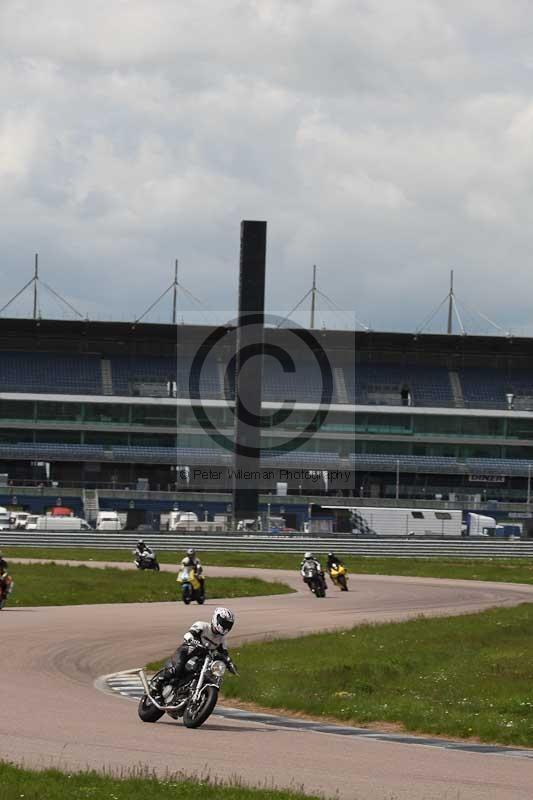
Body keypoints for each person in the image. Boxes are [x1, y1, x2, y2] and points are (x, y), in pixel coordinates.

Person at [151, 607, 237, 704]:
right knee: (177, 668)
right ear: (216, 618)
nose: (225, 626)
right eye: (223, 622)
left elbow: (224, 654)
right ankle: (157, 684)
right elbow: (189, 633)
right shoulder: (202, 626)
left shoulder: (222, 640)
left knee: (209, 675)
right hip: (187, 652)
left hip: (202, 660)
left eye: (228, 624)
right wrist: (191, 639)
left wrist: (230, 663)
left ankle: (190, 695)